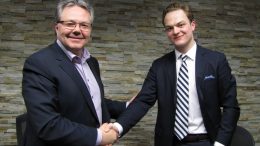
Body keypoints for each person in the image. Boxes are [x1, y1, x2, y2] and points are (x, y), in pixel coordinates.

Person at [112, 2, 240, 146]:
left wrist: (220, 143)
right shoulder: (159, 66)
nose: (175, 31)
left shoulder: (216, 61)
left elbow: (231, 106)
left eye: (180, 24)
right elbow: (143, 101)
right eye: (169, 28)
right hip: (170, 142)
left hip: (206, 141)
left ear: (192, 25)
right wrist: (117, 127)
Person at [22, 0, 130, 145]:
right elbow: (47, 125)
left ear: (90, 30)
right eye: (70, 24)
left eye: (84, 25)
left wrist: (127, 106)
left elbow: (88, 100)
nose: (77, 30)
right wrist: (100, 136)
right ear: (57, 27)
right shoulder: (39, 63)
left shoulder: (92, 62)